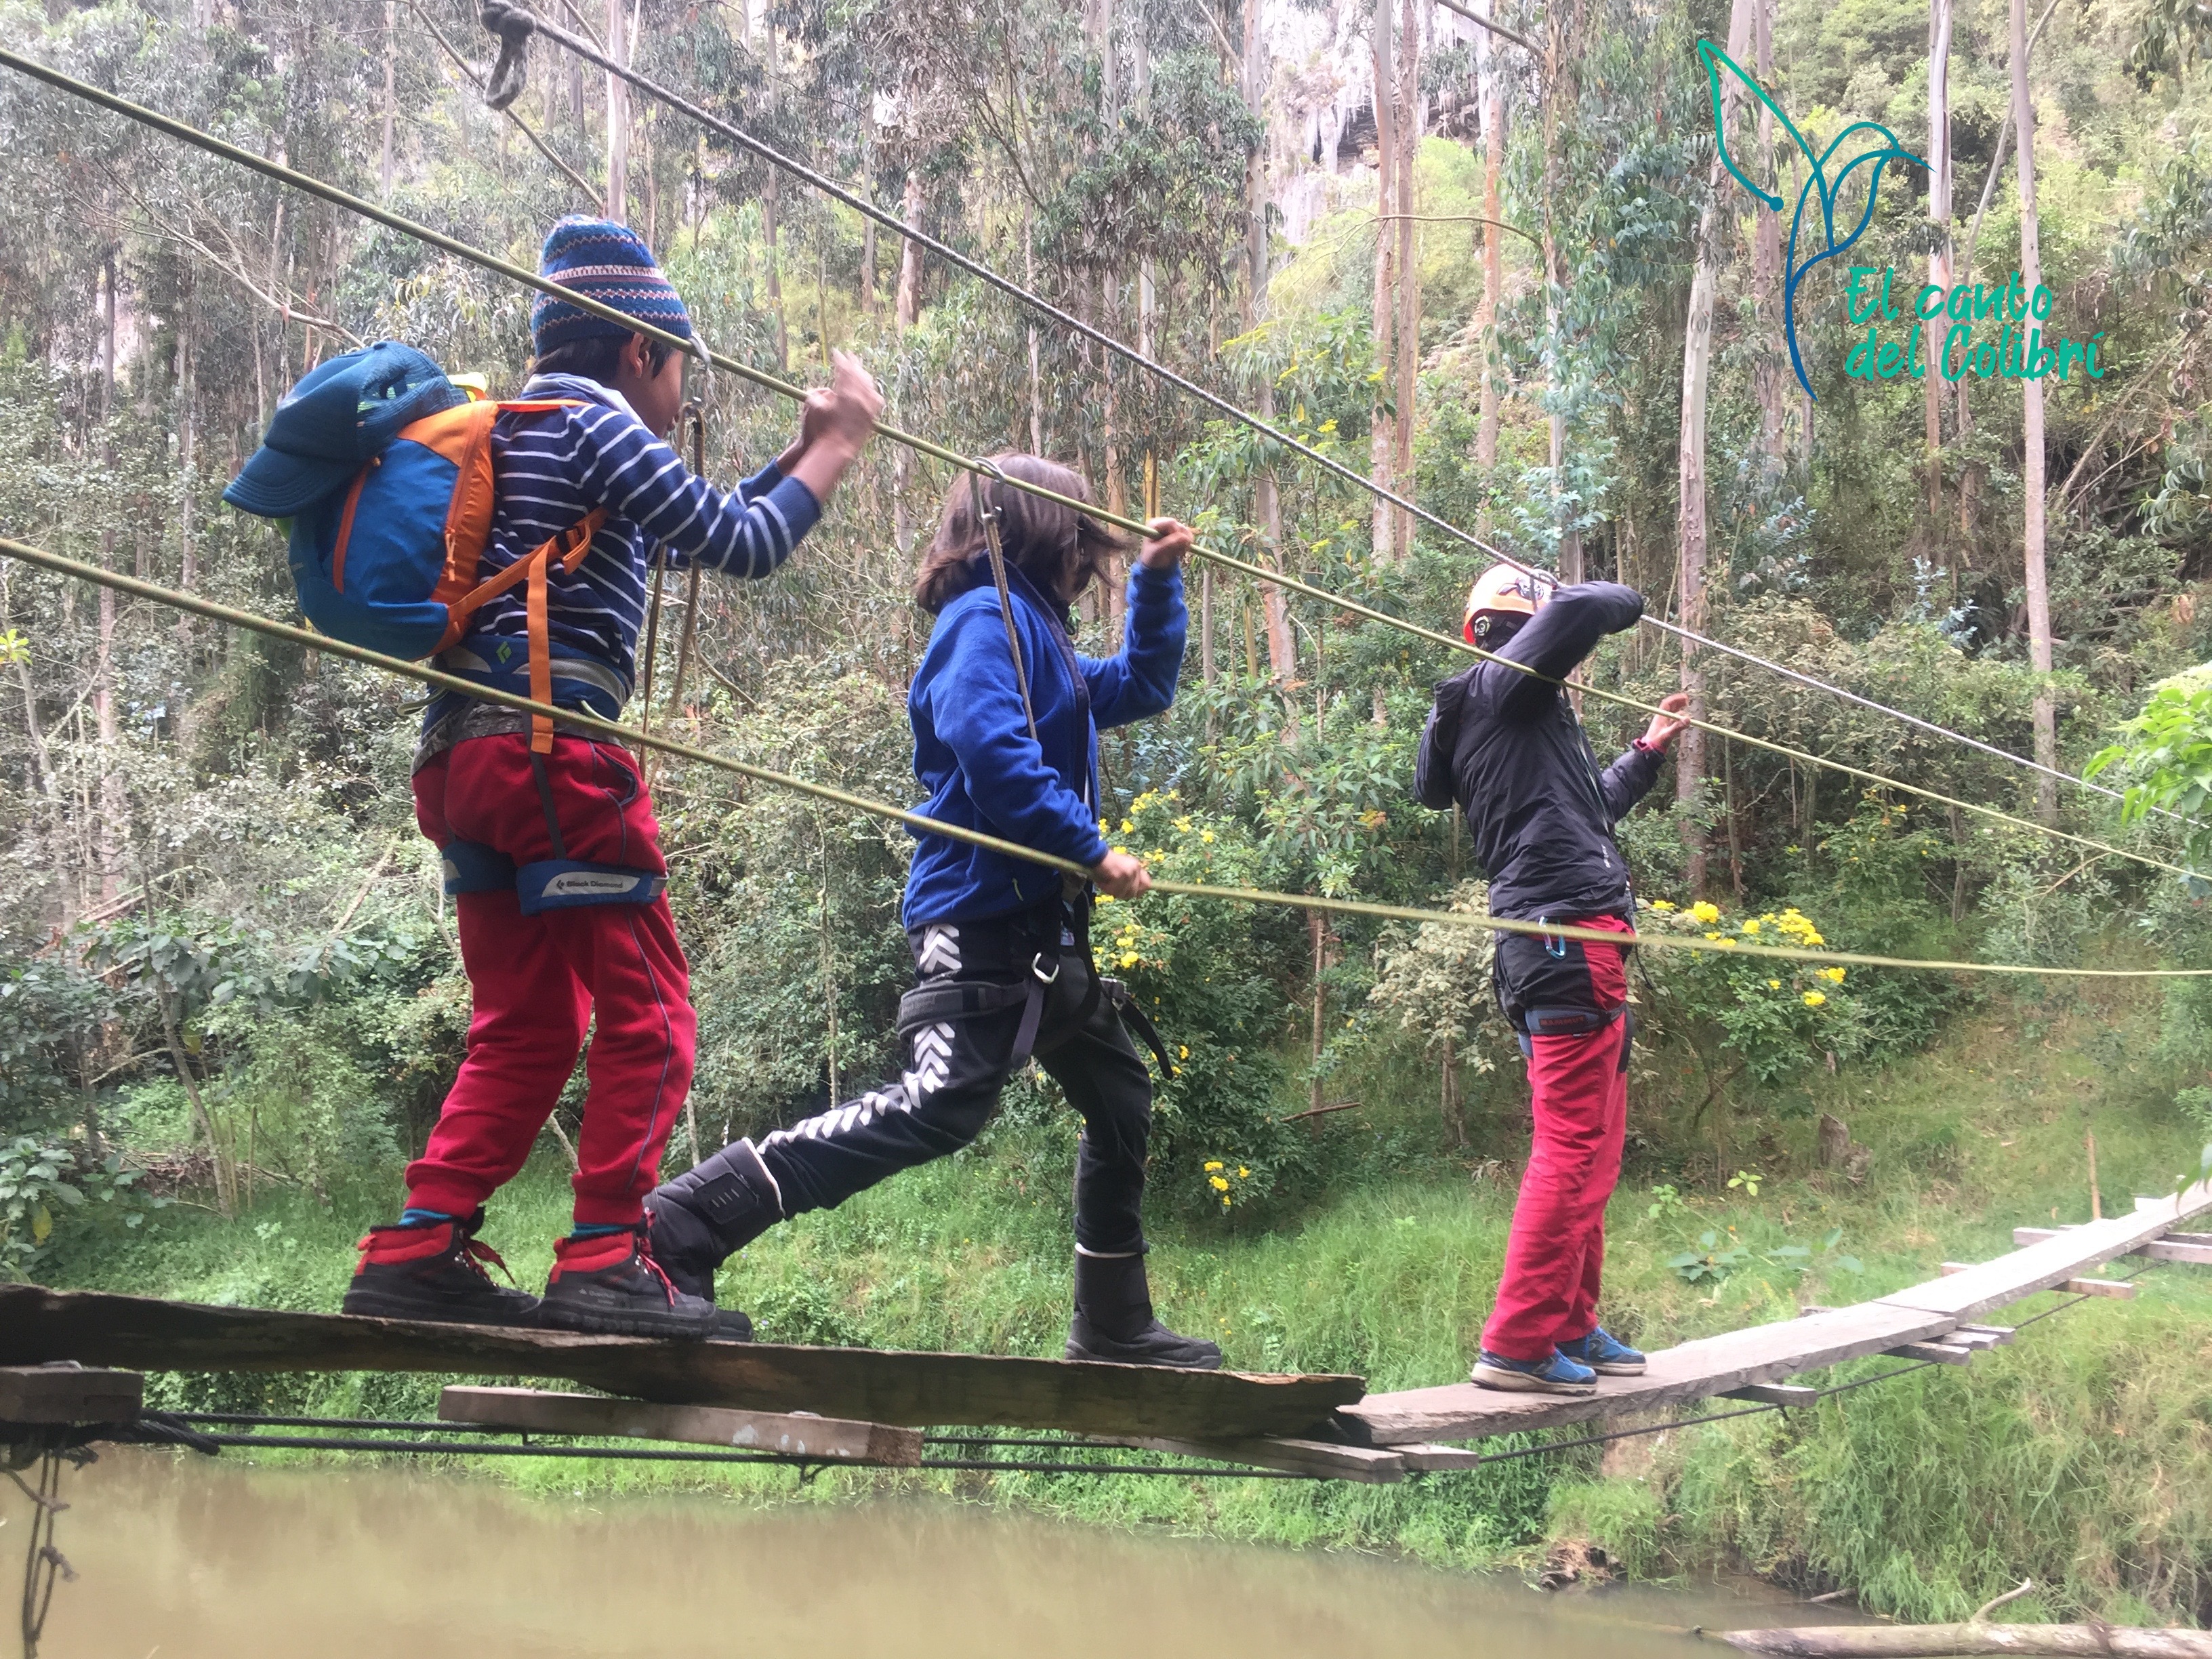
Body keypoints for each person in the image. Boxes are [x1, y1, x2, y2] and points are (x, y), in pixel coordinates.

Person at [340, 216, 882, 1337]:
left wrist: (795, 455)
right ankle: (605, 1259)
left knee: (529, 1020)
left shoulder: (523, 428)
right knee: (653, 1012)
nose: (680, 398)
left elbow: (690, 529)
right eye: (679, 369)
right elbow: (744, 544)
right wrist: (837, 447)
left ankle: (416, 1250)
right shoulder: (598, 422)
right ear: (640, 351)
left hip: (460, 767)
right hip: (552, 760)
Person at [643, 456, 1223, 1368]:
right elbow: (990, 750)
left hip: (1044, 939)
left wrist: (1155, 583)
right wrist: (1089, 848)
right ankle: (684, 1222)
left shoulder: (1040, 641)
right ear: (1042, 533)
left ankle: (1112, 1323)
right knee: (937, 1107)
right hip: (979, 925)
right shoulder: (983, 622)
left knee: (1119, 1099)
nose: (1088, 558)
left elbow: (1141, 687)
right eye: (1082, 539)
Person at [1414, 566, 1690, 1395]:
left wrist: (1646, 752)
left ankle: (1570, 1323)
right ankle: (1517, 1344)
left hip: (1565, 945)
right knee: (1571, 1148)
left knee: (1594, 1149)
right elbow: (1583, 606)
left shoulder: (1514, 724)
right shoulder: (1505, 689)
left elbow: (1587, 812)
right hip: (1564, 942)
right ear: (1520, 635)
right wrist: (1622, 598)